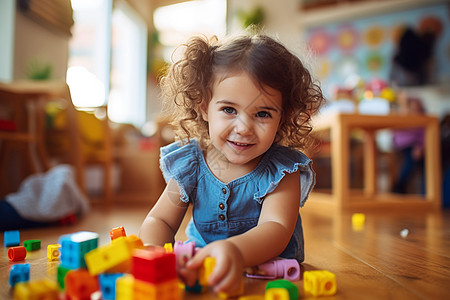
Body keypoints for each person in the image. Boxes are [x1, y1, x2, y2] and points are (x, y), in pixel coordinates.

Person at [139, 33, 324, 294]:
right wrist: (155, 255)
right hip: (203, 269)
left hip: (267, 273)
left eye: (262, 114)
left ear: (282, 118)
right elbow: (160, 220)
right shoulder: (190, 164)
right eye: (229, 110)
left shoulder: (283, 169)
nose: (244, 128)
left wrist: (235, 251)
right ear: (205, 108)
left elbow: (277, 228)